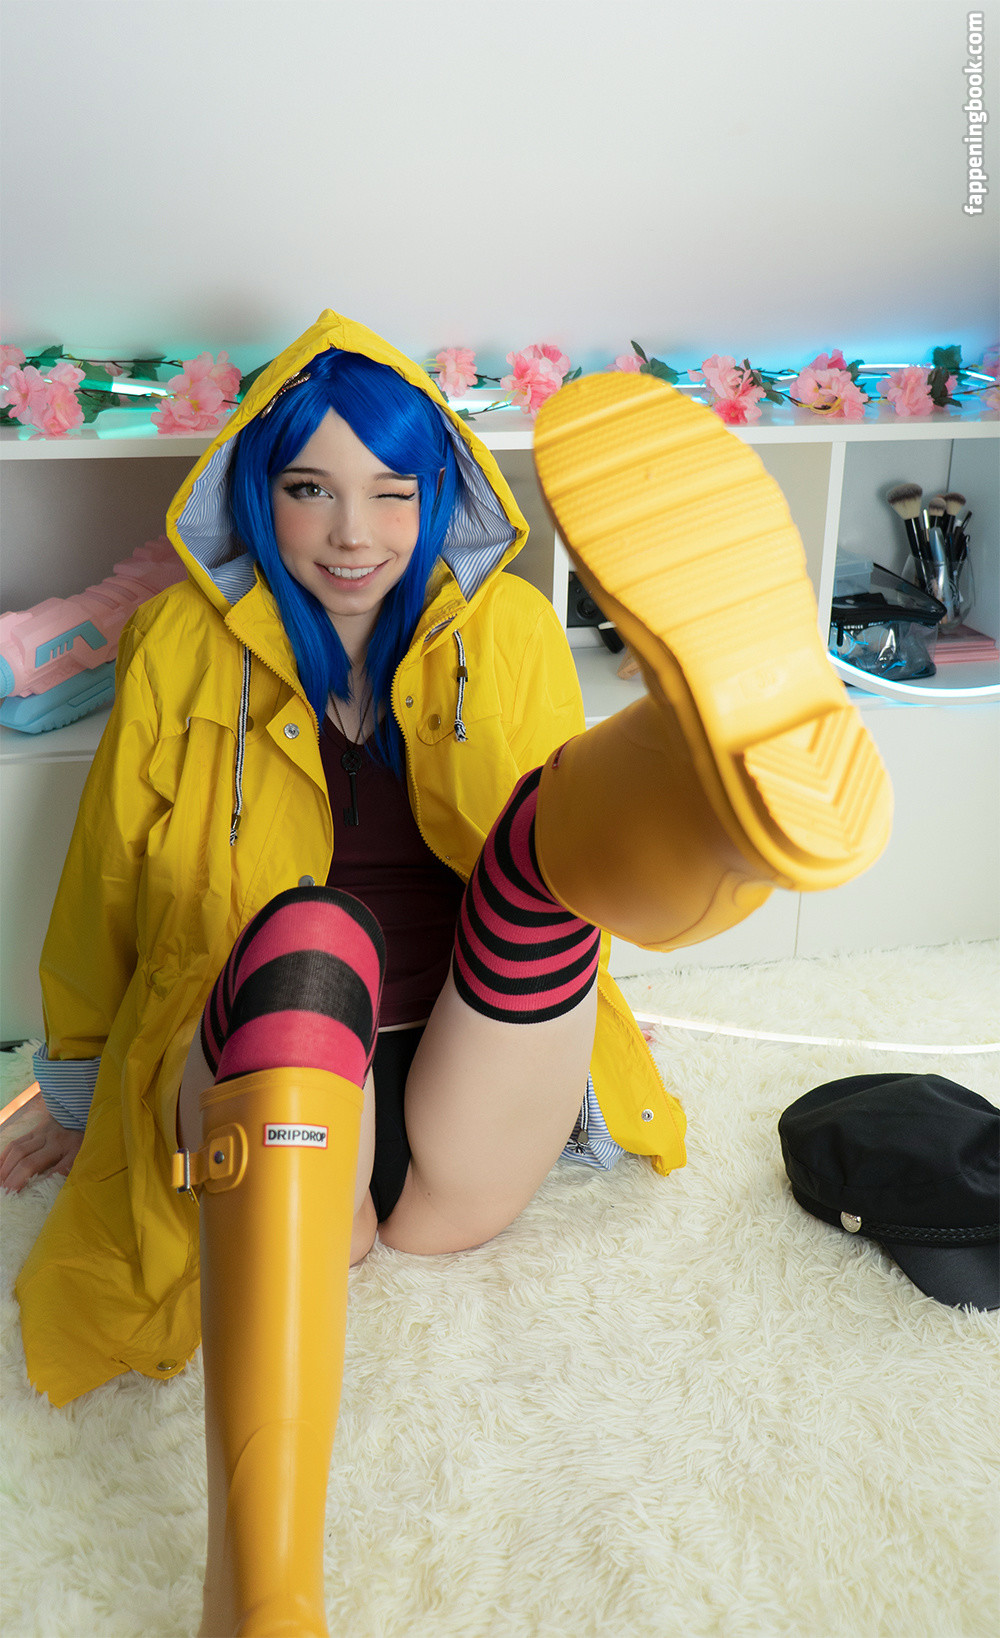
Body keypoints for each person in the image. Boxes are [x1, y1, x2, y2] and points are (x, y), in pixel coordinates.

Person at [8, 309, 891, 1637]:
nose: (352, 533)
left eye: (391, 491)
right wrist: (75, 1093)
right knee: (316, 941)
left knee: (541, 850)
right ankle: (263, 1601)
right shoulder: (179, 647)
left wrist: (586, 1000)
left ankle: (726, 788)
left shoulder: (513, 632)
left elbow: (564, 885)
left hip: (473, 1090)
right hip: (272, 1083)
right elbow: (104, 890)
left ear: (438, 500)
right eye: (310, 488)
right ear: (258, 495)